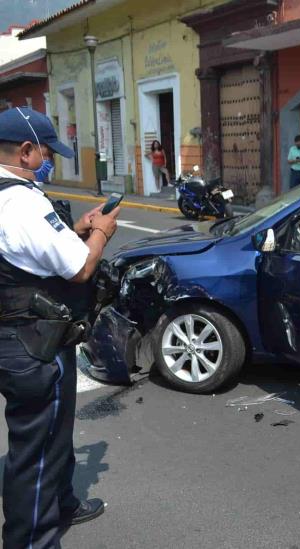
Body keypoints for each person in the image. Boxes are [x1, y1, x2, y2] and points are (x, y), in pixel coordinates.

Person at [0, 107, 119, 548]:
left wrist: (75, 227)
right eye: (47, 151)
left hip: (19, 336)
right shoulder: (22, 200)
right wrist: (102, 233)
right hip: (33, 344)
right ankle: (32, 539)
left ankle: (63, 502)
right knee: (35, 453)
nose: (51, 160)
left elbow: (23, 252)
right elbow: (79, 269)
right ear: (27, 151)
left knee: (54, 433)